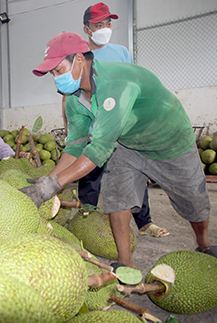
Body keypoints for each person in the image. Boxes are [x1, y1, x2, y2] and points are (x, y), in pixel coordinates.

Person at [21, 31, 217, 270]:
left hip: (169, 140)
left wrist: (54, 185)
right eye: (53, 74)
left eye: (58, 70)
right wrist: (48, 181)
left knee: (193, 200)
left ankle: (204, 242)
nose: (56, 79)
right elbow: (76, 145)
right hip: (126, 143)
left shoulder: (115, 84)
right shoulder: (73, 97)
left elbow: (98, 149)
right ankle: (125, 261)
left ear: (79, 59)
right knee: (117, 196)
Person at [66, 2, 168, 238]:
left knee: (134, 174)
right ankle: (87, 217)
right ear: (86, 28)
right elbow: (71, 96)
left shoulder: (121, 52)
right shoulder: (79, 57)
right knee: (90, 176)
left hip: (123, 128)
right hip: (94, 128)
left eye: (108, 23)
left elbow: (133, 85)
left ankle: (144, 222)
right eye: (98, 24)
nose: (105, 28)